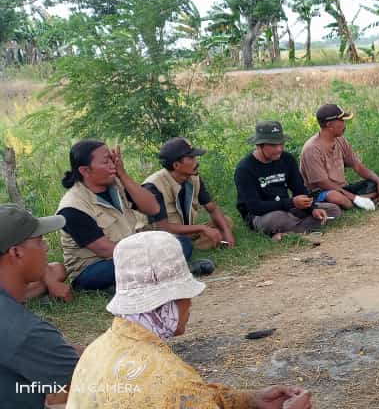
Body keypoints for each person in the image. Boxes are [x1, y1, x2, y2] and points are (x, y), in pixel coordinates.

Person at [65, 231, 314, 409]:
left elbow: (193, 398)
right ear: (167, 303)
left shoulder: (95, 353)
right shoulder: (174, 382)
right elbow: (183, 395)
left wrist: (251, 400)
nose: (190, 304)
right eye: (186, 296)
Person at [0, 205, 80, 408]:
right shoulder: (25, 331)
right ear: (16, 252)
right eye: (39, 241)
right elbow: (87, 375)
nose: (45, 248)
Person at [56, 140, 163, 292]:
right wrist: (148, 255)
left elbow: (153, 208)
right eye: (106, 162)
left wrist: (123, 174)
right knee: (153, 258)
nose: (113, 166)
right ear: (85, 170)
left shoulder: (116, 185)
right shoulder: (72, 207)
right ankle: (154, 272)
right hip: (97, 267)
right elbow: (105, 250)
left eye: (113, 160)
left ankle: (129, 282)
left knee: (179, 243)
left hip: (129, 255)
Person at [235, 121, 337, 240]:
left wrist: (312, 208)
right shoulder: (245, 169)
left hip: (288, 208)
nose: (279, 149)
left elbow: (299, 189)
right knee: (276, 219)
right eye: (273, 145)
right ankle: (297, 227)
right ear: (259, 146)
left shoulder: (287, 159)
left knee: (333, 210)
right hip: (262, 215)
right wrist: (291, 203)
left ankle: (289, 230)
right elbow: (255, 207)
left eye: (281, 144)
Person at [143, 137, 236, 257]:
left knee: (226, 222)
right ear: (176, 165)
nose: (196, 162)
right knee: (181, 243)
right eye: (191, 158)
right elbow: (163, 227)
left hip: (185, 230)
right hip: (160, 237)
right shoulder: (153, 186)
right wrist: (202, 229)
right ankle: (194, 245)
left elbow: (211, 208)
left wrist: (227, 233)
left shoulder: (193, 177)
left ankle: (199, 243)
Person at [300, 104, 379, 211]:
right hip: (322, 192)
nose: (345, 124)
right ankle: (358, 201)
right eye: (342, 121)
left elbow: (357, 166)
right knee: (336, 197)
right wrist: (355, 198)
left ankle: (357, 202)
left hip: (343, 188)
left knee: (378, 181)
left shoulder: (340, 140)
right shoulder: (311, 149)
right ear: (329, 125)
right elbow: (323, 183)